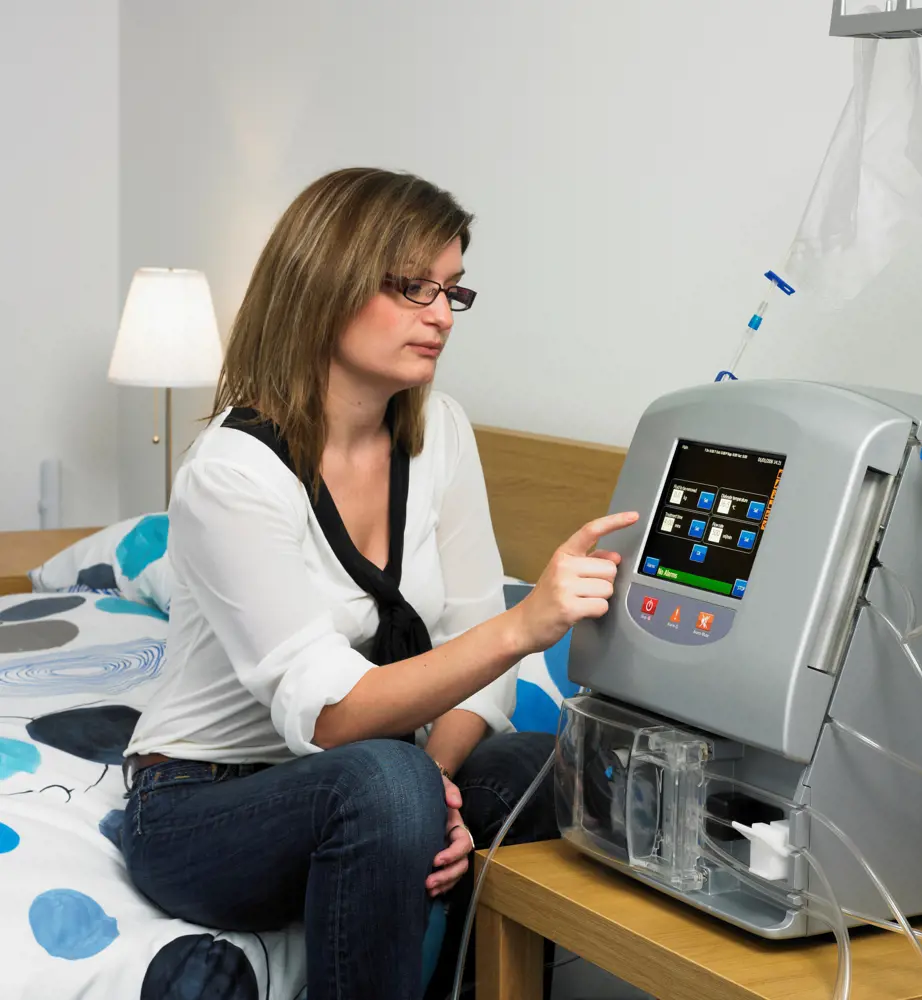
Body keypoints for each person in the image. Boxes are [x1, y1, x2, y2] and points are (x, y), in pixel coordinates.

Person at [119, 166, 638, 1000]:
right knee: (383, 783)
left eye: (451, 292)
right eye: (410, 288)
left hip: (371, 783)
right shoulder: (231, 472)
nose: (439, 316)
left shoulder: (443, 434)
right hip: (202, 802)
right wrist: (524, 623)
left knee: (535, 768)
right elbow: (331, 716)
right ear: (325, 283)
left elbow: (475, 648)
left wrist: (437, 778)